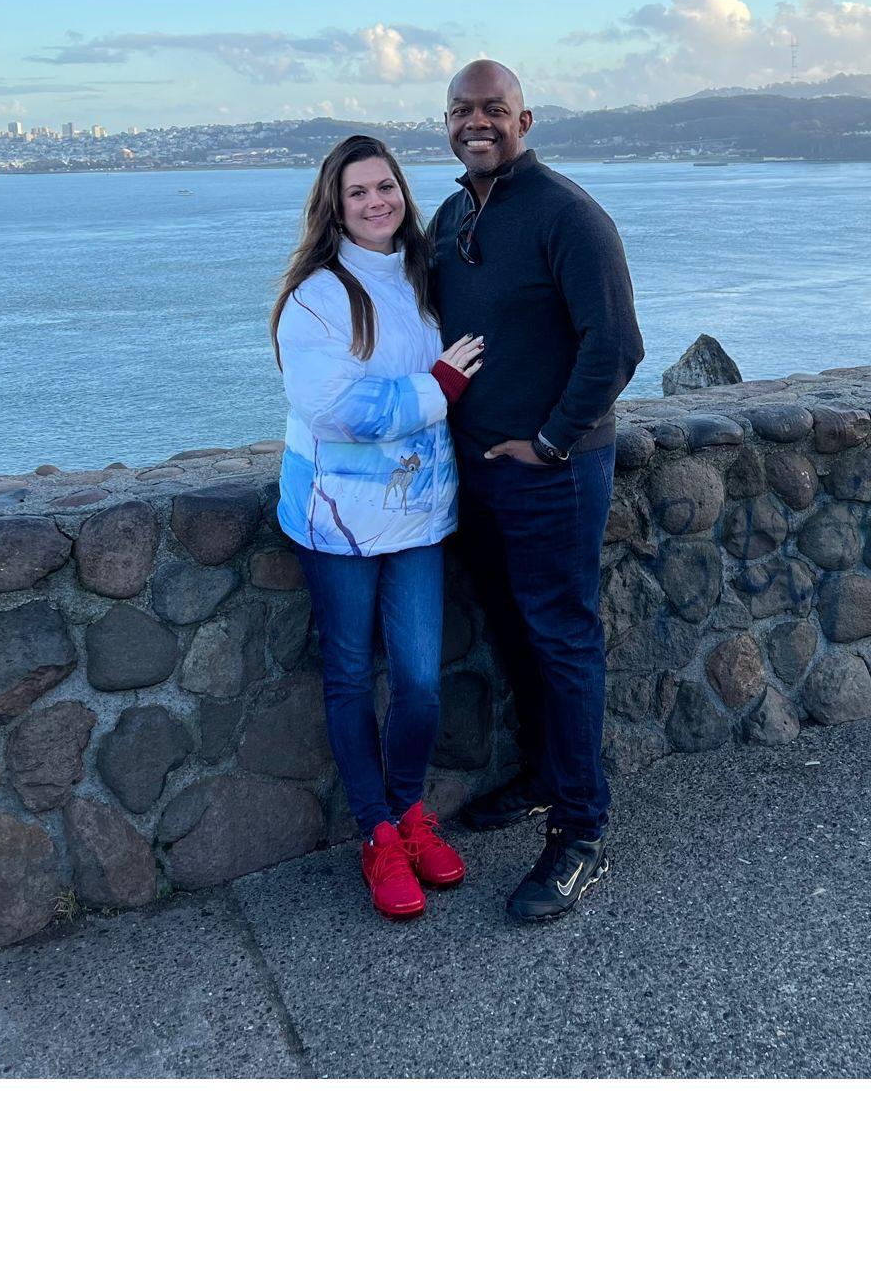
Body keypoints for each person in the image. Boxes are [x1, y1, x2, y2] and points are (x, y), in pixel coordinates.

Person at [428, 60, 644, 922]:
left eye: (494, 110)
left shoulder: (568, 216)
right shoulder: (451, 215)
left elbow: (616, 343)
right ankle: (544, 777)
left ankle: (581, 833)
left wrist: (550, 442)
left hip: (554, 470)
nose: (477, 123)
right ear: (446, 123)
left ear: (526, 118)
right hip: (478, 469)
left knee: (562, 639)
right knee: (515, 632)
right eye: (461, 111)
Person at [273, 133, 484, 921]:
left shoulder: (427, 279)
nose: (375, 202)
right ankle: (378, 834)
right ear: (335, 205)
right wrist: (437, 387)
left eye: (385, 187)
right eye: (358, 192)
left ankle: (409, 811)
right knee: (352, 678)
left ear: (402, 192)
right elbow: (334, 407)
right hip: (340, 524)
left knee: (422, 682)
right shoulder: (317, 297)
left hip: (421, 516)